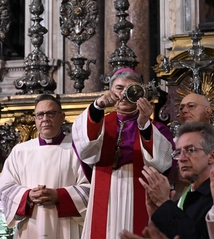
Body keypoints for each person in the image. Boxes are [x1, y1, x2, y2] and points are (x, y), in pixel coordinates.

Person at [71, 67, 175, 239]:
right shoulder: (99, 121)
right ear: (110, 91)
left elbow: (163, 164)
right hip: (103, 196)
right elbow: (84, 149)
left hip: (139, 196)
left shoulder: (156, 128)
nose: (124, 94)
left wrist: (144, 125)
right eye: (119, 88)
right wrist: (97, 107)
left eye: (131, 89)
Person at [0, 94, 90, 239]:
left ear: (62, 117)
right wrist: (27, 196)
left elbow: (91, 188)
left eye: (51, 113)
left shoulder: (77, 149)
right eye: (40, 115)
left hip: (66, 226)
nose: (45, 119)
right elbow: (5, 188)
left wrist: (60, 196)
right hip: (30, 226)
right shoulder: (20, 151)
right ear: (35, 119)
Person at [121, 121, 214, 239]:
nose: (182, 158)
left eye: (190, 150)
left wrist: (164, 203)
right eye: (178, 152)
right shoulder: (180, 202)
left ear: (213, 157)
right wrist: (156, 214)